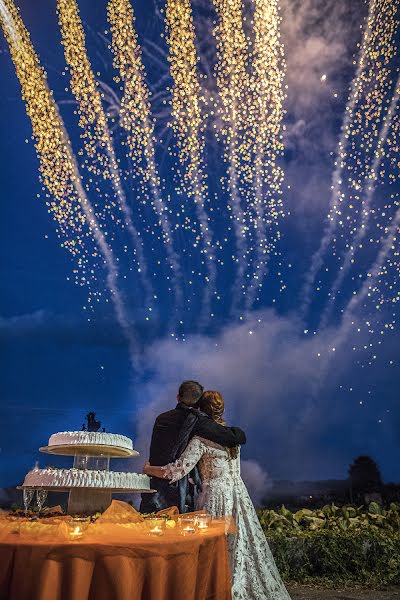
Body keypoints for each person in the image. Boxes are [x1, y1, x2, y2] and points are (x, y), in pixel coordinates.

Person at [144, 390, 291, 600]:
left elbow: (177, 470)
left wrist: (149, 469)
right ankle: (230, 581)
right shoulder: (232, 438)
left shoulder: (201, 439)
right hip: (238, 493)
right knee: (240, 543)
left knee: (213, 543)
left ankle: (215, 587)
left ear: (200, 410)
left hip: (215, 494)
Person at [140, 381, 246, 513]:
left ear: (178, 397)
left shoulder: (161, 418)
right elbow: (231, 436)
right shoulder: (199, 421)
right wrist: (238, 434)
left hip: (156, 484)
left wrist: (148, 469)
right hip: (185, 490)